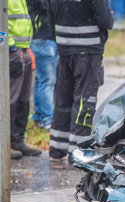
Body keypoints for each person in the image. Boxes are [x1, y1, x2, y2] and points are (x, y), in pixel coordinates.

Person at [48, 0, 114, 162]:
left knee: (63, 100)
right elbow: (105, 20)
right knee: (84, 103)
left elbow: (50, 19)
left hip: (64, 50)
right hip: (88, 52)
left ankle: (57, 149)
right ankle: (77, 153)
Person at [8, 0, 42, 160]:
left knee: (23, 98)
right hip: (12, 51)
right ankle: (5, 143)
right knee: (10, 99)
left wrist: (27, 48)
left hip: (23, 49)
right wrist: (11, 48)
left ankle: (17, 140)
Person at [27, 0, 58, 130]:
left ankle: (40, 118)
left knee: (41, 80)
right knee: (47, 82)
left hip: (37, 36)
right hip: (45, 37)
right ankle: (47, 120)